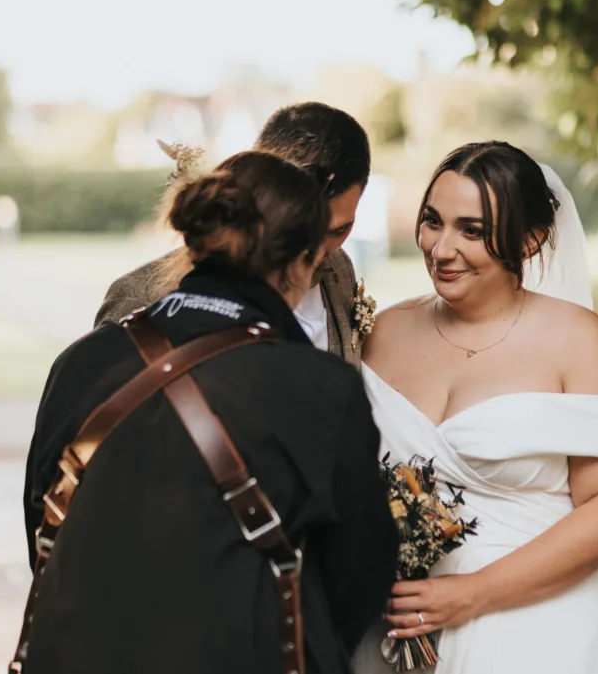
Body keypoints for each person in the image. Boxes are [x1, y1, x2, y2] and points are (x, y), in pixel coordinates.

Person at [22, 150, 399, 673]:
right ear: (300, 261)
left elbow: (45, 523)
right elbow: (360, 573)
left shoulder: (80, 362)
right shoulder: (321, 388)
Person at [352, 141, 598, 674]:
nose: (442, 249)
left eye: (471, 230)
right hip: (406, 632)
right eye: (432, 221)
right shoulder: (386, 330)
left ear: (531, 239)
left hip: (547, 632)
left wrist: (474, 594)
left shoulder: (578, 339)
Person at [94, 101, 371, 367]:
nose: (316, 252)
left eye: (338, 230)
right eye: (297, 230)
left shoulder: (339, 270)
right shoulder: (139, 298)